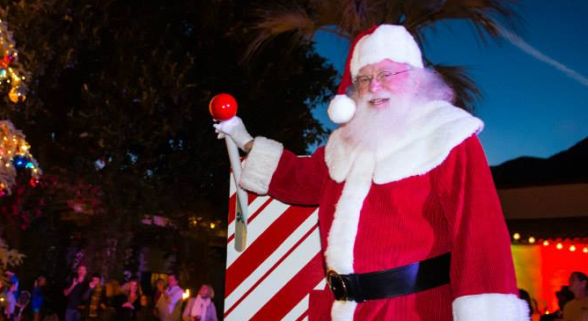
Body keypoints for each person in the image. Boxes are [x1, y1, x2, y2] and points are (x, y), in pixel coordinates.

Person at [214, 24, 527, 321]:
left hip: (415, 311)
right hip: (345, 312)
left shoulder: (449, 136)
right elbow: (301, 178)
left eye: (387, 73)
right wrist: (245, 140)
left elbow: (480, 238)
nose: (374, 86)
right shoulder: (345, 143)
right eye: (364, 78)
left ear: (416, 78)